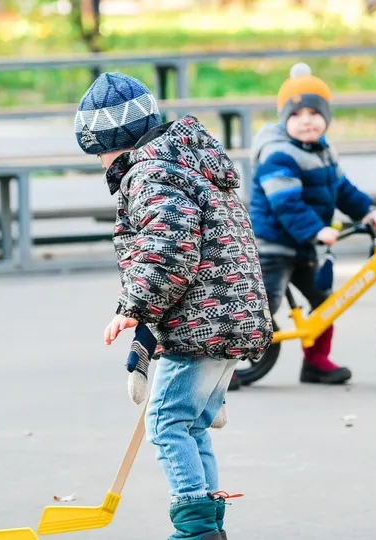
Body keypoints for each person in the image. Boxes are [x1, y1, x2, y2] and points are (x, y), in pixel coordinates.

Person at [75, 72, 273, 540]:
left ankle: (195, 528)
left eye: (100, 151)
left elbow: (169, 246)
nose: (101, 163)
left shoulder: (151, 173)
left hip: (201, 323)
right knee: (193, 424)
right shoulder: (189, 163)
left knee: (165, 422)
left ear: (116, 141)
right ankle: (209, 524)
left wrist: (133, 305)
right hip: (230, 316)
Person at [241, 63, 376, 388]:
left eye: (313, 112)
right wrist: (316, 230)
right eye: (296, 114)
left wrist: (367, 211)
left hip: (303, 245)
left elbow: (343, 190)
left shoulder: (323, 152)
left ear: (327, 117)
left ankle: (316, 363)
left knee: (324, 300)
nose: (306, 120)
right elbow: (286, 204)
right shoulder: (278, 155)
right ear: (284, 120)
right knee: (266, 303)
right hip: (273, 245)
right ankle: (226, 362)